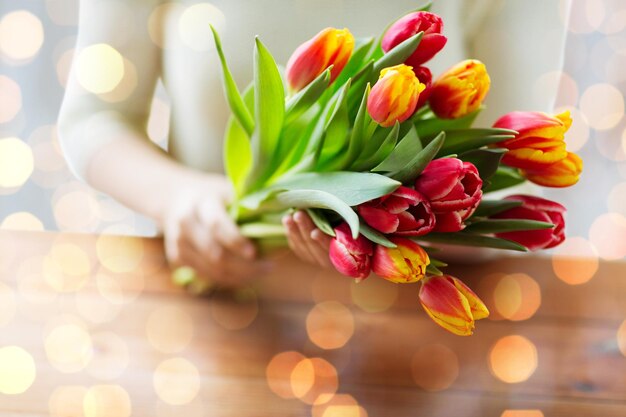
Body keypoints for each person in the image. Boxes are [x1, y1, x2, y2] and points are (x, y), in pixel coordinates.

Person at [58, 0, 568, 285]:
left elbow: (511, 186)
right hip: (210, 303)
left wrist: (383, 233)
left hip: (411, 333)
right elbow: (92, 118)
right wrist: (180, 199)